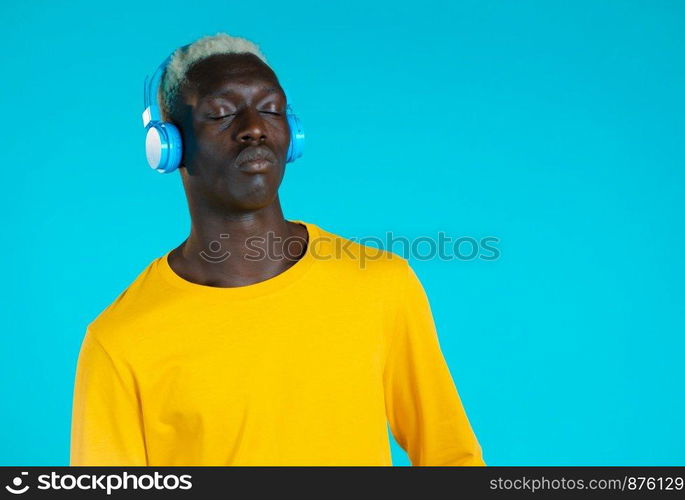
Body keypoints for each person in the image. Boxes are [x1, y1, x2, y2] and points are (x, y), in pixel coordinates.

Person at [69, 32, 486, 466]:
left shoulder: (381, 287)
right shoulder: (120, 341)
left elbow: (450, 459)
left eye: (271, 109)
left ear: (293, 134)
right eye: (221, 114)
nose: (253, 128)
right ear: (169, 146)